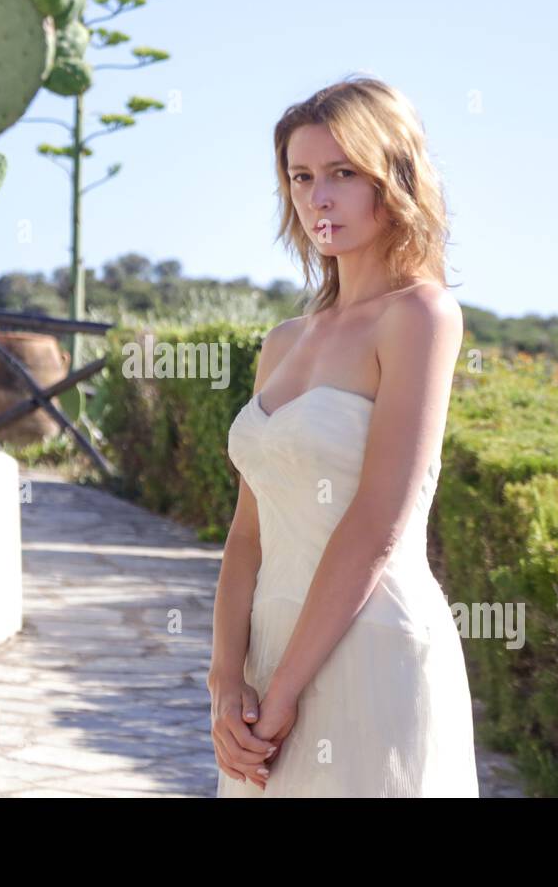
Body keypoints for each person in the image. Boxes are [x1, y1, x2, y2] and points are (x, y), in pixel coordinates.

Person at [208, 76, 479, 797]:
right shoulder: (283, 341)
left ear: (393, 180)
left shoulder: (421, 316)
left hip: (371, 652)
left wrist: (287, 690)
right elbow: (247, 537)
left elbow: (377, 523)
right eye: (301, 176)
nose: (317, 197)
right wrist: (226, 681)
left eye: (342, 174)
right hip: (266, 670)